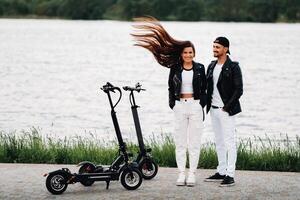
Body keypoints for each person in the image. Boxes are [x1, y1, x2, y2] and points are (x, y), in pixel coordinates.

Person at [132, 16, 207, 186]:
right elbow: (169, 87)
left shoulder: (200, 68)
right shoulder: (175, 68)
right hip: (179, 106)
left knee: (194, 143)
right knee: (180, 143)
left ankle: (192, 174)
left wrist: (201, 104)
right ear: (181, 54)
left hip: (195, 107)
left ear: (194, 54)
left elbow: (205, 89)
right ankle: (181, 173)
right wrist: (173, 104)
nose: (188, 55)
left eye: (191, 52)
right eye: (186, 52)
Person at [205, 37, 243, 187]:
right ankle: (221, 171)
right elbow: (207, 88)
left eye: (218, 47)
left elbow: (239, 90)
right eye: (214, 47)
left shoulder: (233, 67)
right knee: (219, 142)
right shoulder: (211, 65)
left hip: (226, 110)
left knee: (229, 142)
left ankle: (230, 175)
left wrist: (227, 107)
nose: (215, 49)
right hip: (213, 110)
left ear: (226, 49)